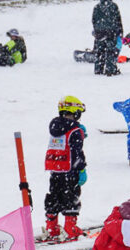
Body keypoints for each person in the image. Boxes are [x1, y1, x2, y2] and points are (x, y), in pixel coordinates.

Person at [43, 96, 87, 242]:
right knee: (70, 196)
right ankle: (70, 227)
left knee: (54, 195)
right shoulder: (74, 130)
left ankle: (52, 227)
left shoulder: (55, 127)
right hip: (70, 170)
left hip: (55, 169)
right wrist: (81, 169)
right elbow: (77, 152)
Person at [91, 0, 123, 76]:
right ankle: (110, 69)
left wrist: (97, 30)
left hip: (99, 34)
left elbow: (93, 20)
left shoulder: (96, 7)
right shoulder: (113, 6)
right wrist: (120, 32)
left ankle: (98, 69)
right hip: (111, 33)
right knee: (110, 52)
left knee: (99, 51)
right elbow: (118, 20)